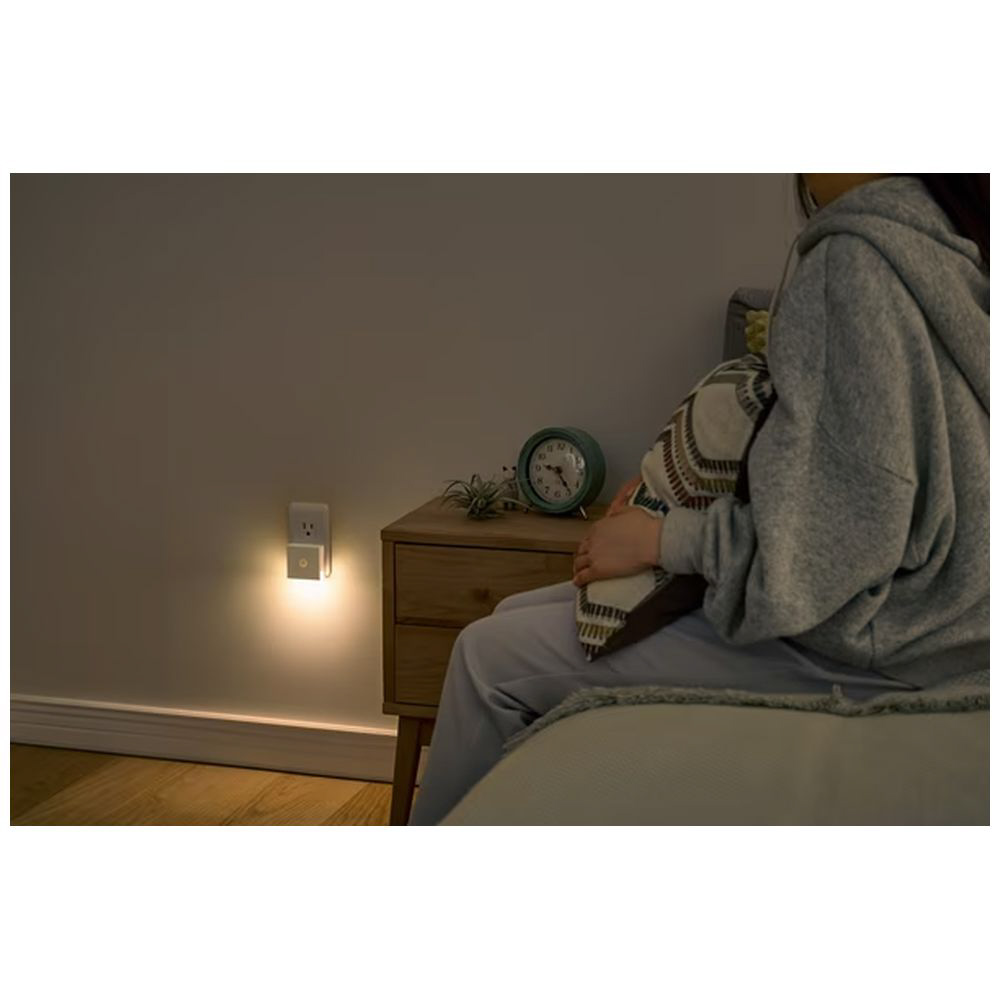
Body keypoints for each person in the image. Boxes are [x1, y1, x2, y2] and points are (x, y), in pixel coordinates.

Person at [409, 173, 990, 826]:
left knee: (487, 658)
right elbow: (851, 475)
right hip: (950, 623)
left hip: (889, 642)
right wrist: (666, 493)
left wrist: (662, 539)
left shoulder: (855, 262)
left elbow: (836, 541)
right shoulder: (949, 245)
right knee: (516, 612)